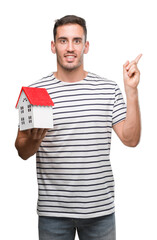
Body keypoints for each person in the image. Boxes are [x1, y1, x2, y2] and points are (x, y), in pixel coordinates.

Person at [15, 15, 142, 240]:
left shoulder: (108, 89)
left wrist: (131, 90)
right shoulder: (37, 92)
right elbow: (22, 151)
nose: (70, 47)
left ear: (86, 45)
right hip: (53, 214)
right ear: (53, 46)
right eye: (63, 41)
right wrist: (34, 140)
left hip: (100, 211)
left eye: (76, 40)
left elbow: (131, 139)